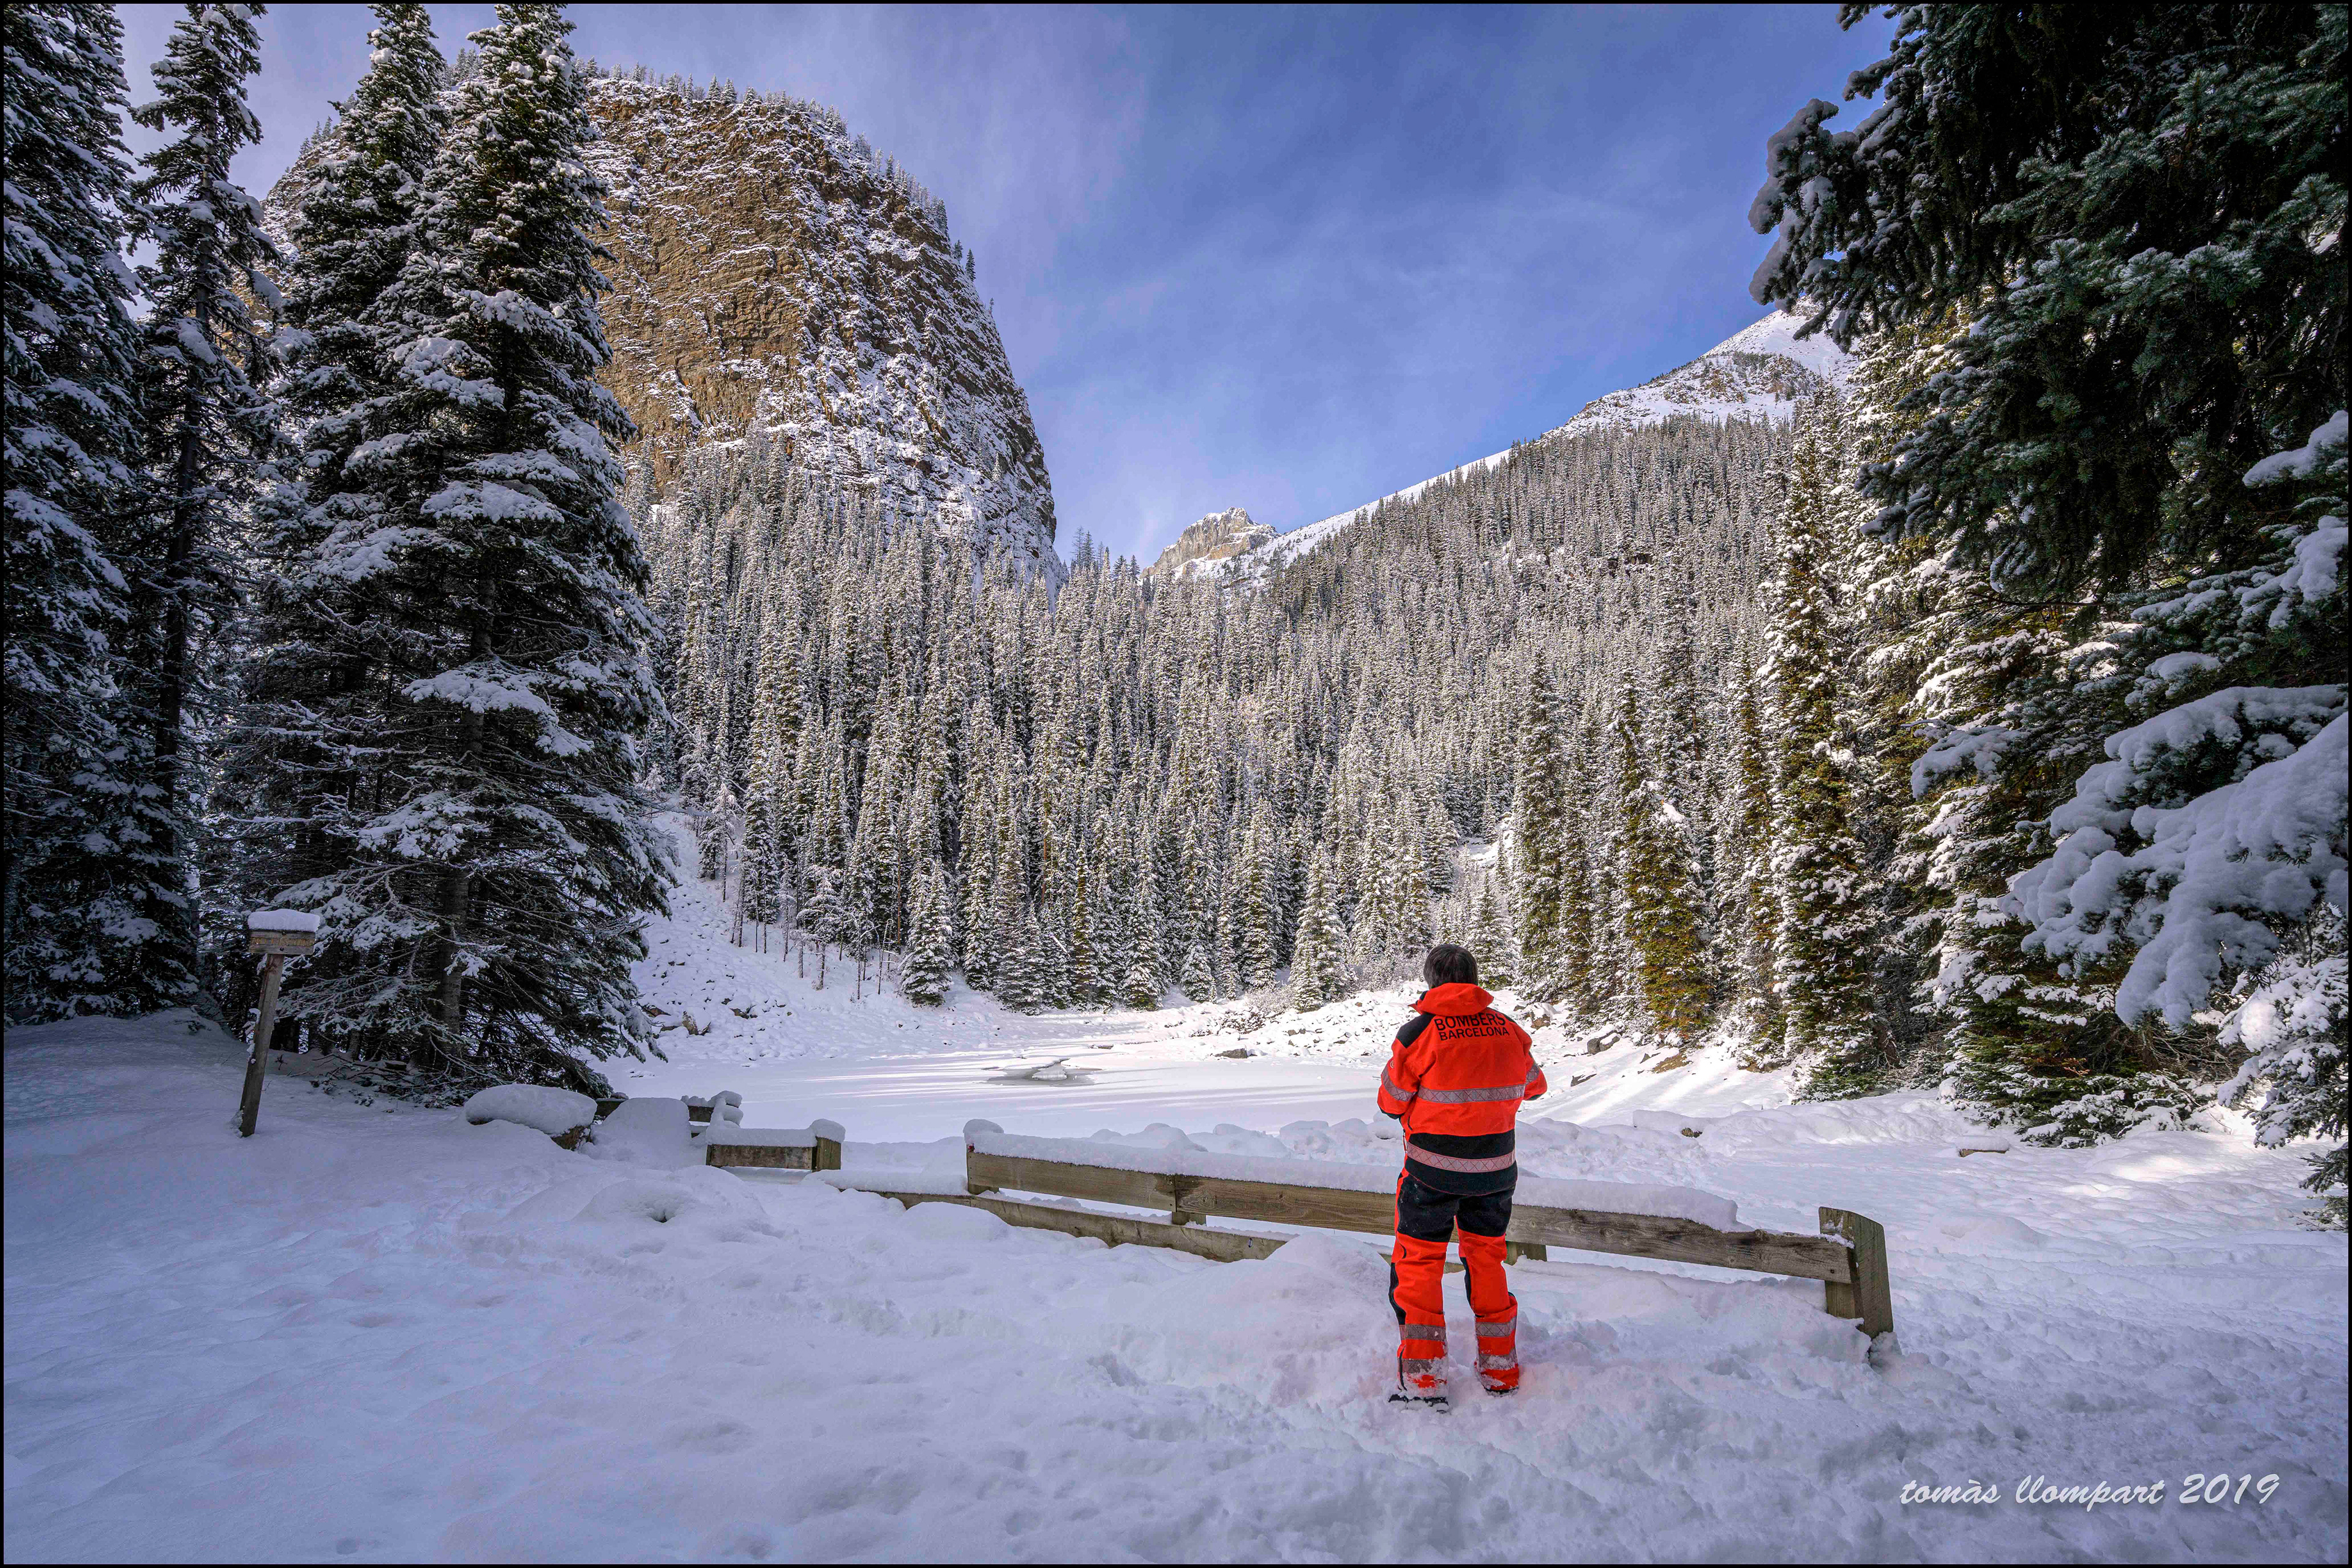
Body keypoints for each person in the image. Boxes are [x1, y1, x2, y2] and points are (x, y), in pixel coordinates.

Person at [1376, 943, 1547, 1408]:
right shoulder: (1509, 1030)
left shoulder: (1419, 1033)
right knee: (1487, 1260)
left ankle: (1425, 1379)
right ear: (1474, 979)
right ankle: (1500, 1369)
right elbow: (1535, 1086)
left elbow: (1391, 1101)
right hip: (1495, 1172)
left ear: (1432, 980)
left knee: (1418, 1265)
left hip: (1431, 1173)